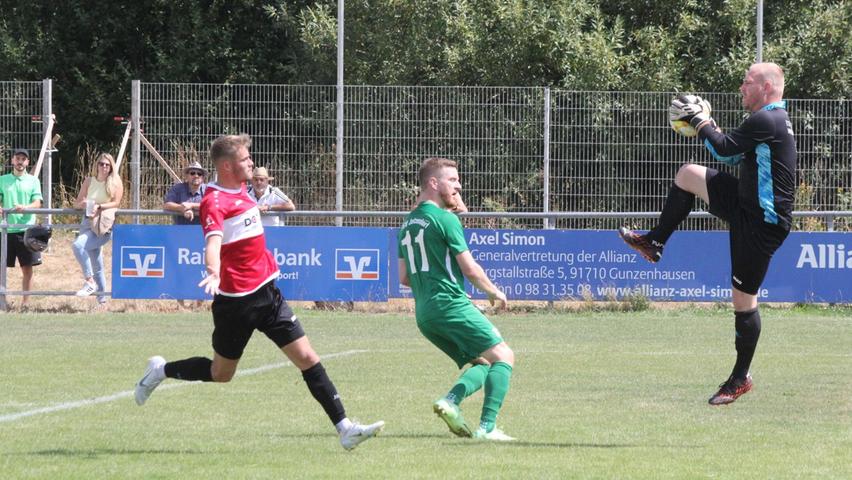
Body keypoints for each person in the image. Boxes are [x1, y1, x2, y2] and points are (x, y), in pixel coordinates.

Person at [134, 134, 383, 451]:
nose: (251, 162)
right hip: (237, 303)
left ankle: (345, 429)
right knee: (221, 374)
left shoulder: (242, 189)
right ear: (226, 166)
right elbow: (212, 242)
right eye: (245, 159)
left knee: (307, 358)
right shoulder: (214, 201)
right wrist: (213, 270)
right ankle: (161, 370)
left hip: (269, 292)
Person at [618, 62, 797, 406]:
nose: (742, 88)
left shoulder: (768, 119)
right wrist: (707, 125)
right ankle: (654, 242)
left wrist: (699, 121)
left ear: (767, 87)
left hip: (763, 222)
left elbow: (725, 149)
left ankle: (740, 378)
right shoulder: (767, 121)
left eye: (748, 83)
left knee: (743, 302)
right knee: (687, 174)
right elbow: (727, 153)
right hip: (747, 205)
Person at [398, 157, 515, 441]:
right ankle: (487, 427)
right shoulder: (446, 220)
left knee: (483, 364)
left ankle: (450, 403)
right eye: (452, 180)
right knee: (504, 356)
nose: (458, 185)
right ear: (433, 182)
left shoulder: (409, 222)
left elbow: (403, 278)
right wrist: (493, 291)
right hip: (450, 303)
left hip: (425, 313)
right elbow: (470, 268)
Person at [72, 152, 124, 306]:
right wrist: (82, 204)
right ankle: (102, 301)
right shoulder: (89, 181)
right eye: (101, 164)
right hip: (87, 222)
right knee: (98, 265)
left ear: (111, 167)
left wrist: (99, 206)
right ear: (97, 165)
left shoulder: (115, 182)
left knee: (77, 245)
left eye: (107, 164)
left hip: (103, 226)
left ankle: (89, 281)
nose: (104, 167)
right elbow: (76, 203)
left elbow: (116, 203)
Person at [0, 148, 43, 306]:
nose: (20, 161)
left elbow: (37, 203)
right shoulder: (2, 179)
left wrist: (26, 207)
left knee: (27, 269)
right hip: (5, 230)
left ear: (27, 162)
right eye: (17, 158)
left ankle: (25, 303)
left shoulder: (33, 181)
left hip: (26, 231)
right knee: (1, 269)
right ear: (12, 161)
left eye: (23, 159)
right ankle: (2, 301)